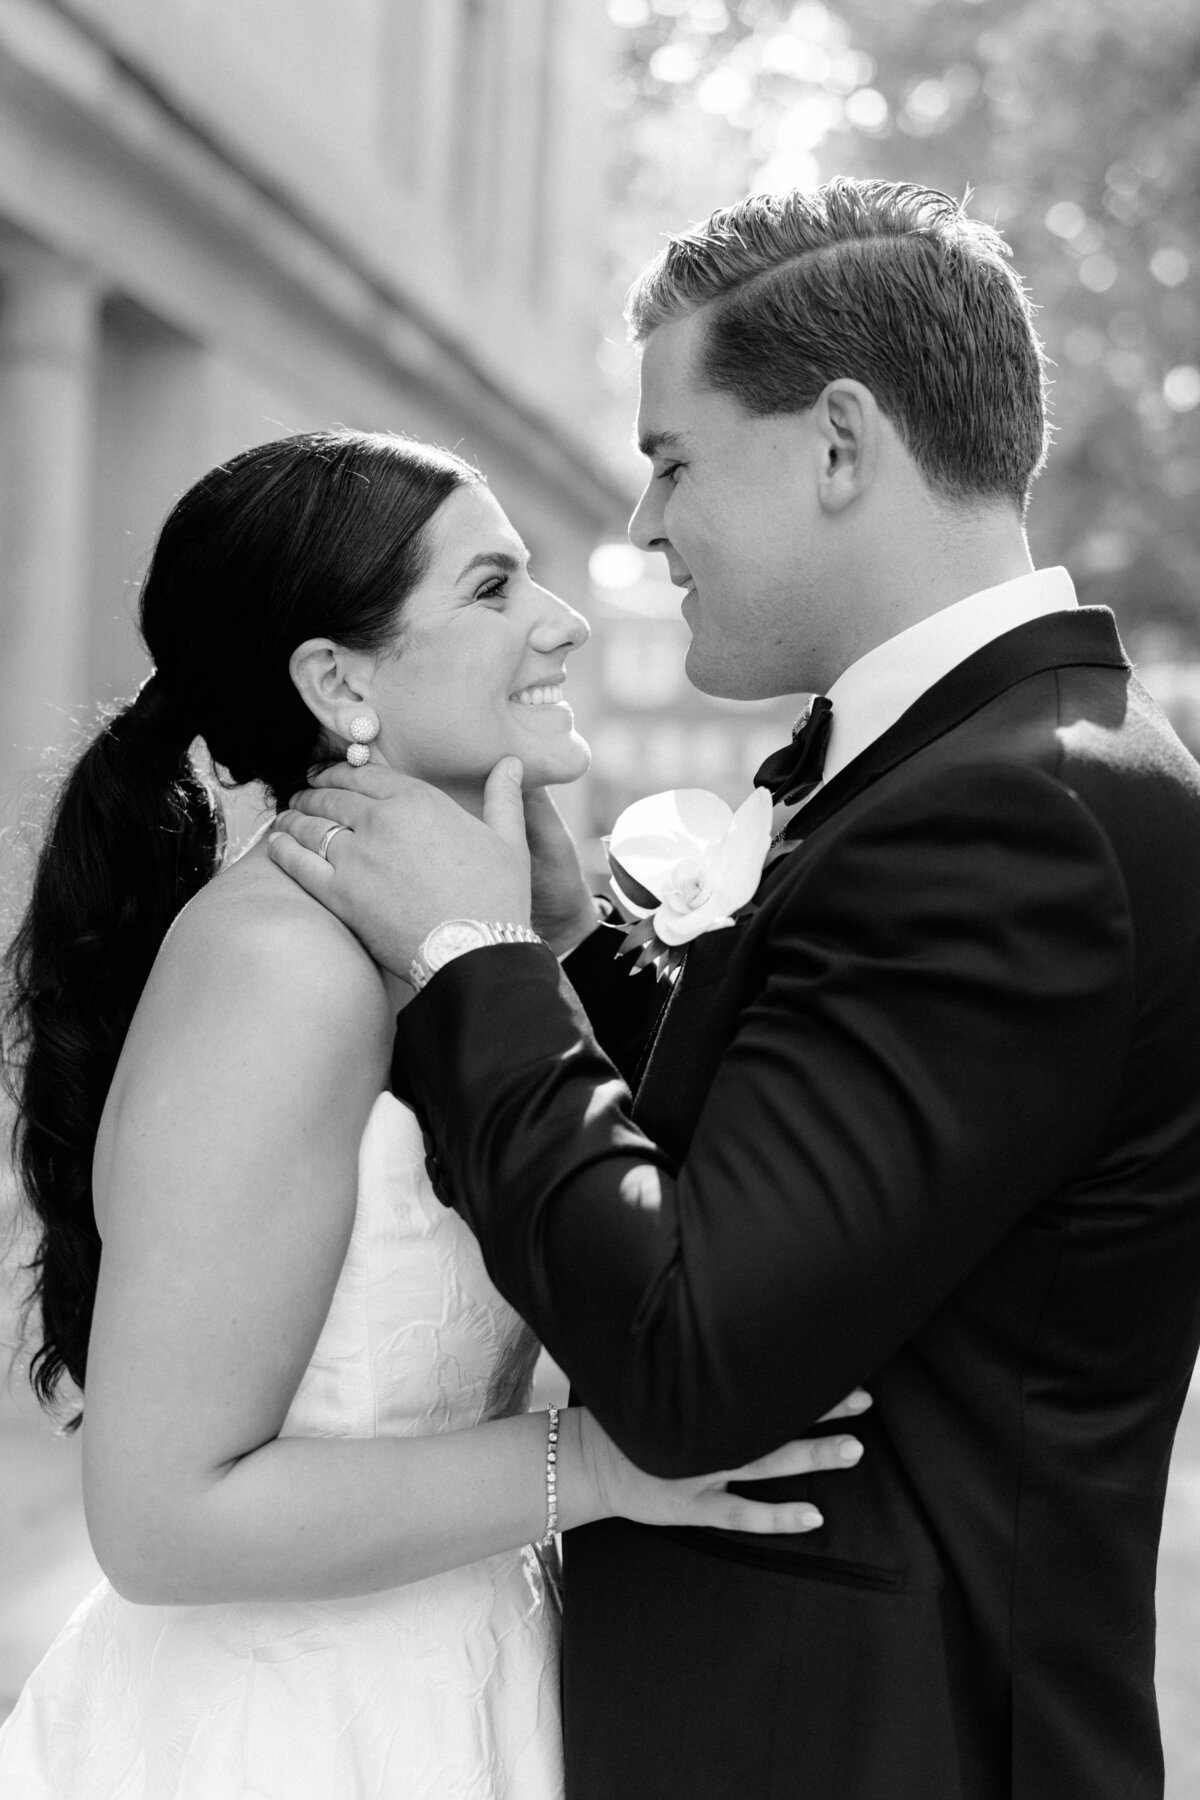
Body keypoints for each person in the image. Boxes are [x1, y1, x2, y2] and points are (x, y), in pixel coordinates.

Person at [268, 181, 1200, 1800]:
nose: (641, 530)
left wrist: (471, 963)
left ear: (839, 443)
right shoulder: (956, 770)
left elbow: (691, 1362)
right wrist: (571, 963)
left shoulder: (1014, 814)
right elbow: (787, 1145)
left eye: (673, 459)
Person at [0, 428, 869, 1800]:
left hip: (467, 1681)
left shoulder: (456, 945)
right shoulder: (281, 965)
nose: (567, 622)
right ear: (338, 681)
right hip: (285, 1738)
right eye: (492, 589)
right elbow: (159, 1519)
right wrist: (594, 1461)